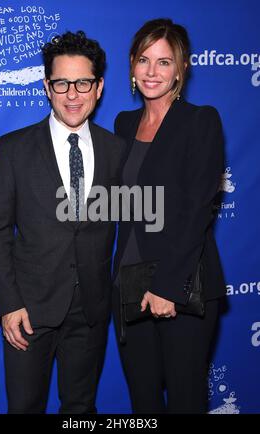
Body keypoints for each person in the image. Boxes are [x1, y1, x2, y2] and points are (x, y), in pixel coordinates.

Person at [0, 30, 125, 414]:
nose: (72, 94)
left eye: (83, 82)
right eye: (62, 83)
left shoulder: (116, 150)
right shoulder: (13, 149)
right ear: (47, 87)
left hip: (91, 308)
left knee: (80, 409)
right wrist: (9, 304)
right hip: (29, 310)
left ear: (98, 87)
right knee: (25, 406)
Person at [112, 18, 226, 414]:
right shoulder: (124, 124)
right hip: (129, 285)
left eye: (164, 62)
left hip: (182, 286)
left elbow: (197, 211)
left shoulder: (200, 120)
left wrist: (166, 286)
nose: (152, 72)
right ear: (131, 65)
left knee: (184, 399)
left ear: (181, 68)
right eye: (144, 60)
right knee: (143, 402)